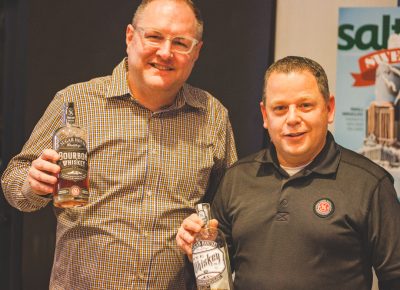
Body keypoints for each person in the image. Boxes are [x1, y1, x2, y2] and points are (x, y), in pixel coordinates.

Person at [1, 0, 237, 289]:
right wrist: (32, 184)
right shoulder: (76, 102)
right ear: (130, 37)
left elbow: (229, 210)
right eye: (154, 37)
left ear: (196, 52)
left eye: (180, 43)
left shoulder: (213, 116)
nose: (165, 52)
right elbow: (14, 182)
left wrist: (209, 232)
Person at [177, 56, 400, 290]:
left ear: (329, 108)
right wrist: (199, 248)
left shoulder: (370, 184)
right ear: (265, 115)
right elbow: (218, 269)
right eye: (280, 108)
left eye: (305, 105)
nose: (292, 119)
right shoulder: (237, 178)